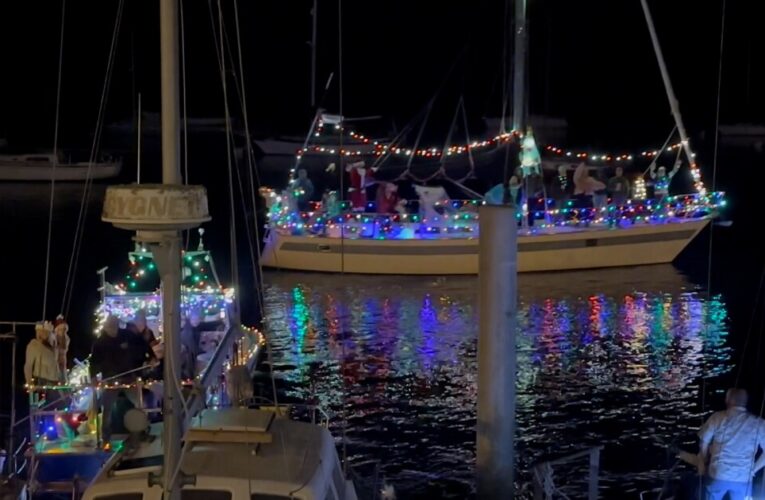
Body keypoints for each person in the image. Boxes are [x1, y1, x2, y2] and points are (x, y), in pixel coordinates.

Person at [697, 388, 765, 499]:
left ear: (728, 400)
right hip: (743, 478)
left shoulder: (717, 417)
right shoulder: (759, 422)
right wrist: (753, 470)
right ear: (745, 402)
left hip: (717, 474)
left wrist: (703, 461)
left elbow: (704, 442)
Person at [24, 322, 59, 386]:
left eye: (46, 332)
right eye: (38, 332)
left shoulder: (53, 347)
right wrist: (29, 382)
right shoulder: (34, 345)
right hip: (41, 381)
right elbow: (28, 365)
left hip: (54, 382)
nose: (39, 334)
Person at [52, 315, 70, 382]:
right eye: (60, 329)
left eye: (63, 329)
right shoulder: (53, 338)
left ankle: (64, 381)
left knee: (63, 370)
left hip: (63, 356)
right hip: (55, 358)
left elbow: (65, 348)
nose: (62, 331)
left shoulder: (66, 338)